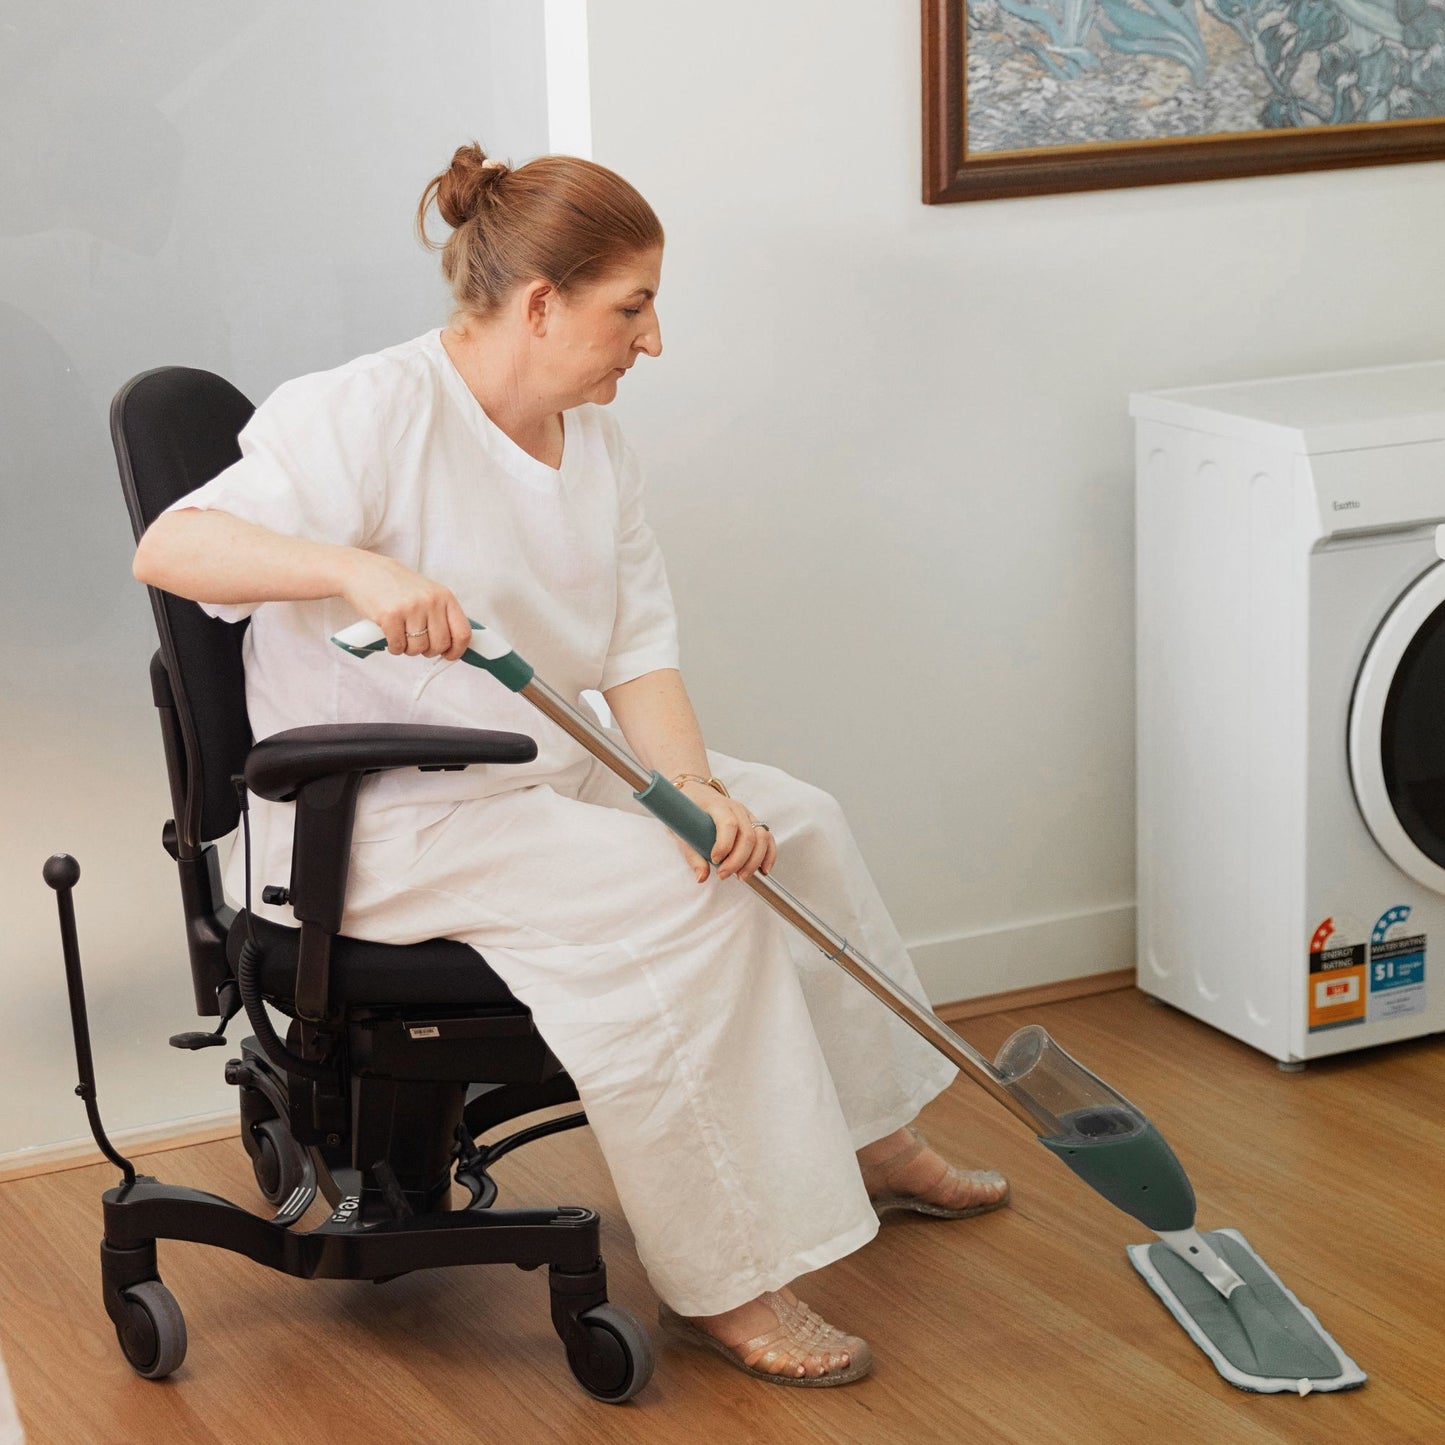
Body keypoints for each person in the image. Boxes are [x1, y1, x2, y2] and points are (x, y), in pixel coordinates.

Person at [131, 143, 1009, 1387]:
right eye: (632, 306)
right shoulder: (366, 409)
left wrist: (696, 792)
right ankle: (732, 1276)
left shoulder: (591, 447)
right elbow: (173, 547)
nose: (650, 341)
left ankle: (873, 1133)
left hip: (535, 769)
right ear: (541, 302)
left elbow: (639, 653)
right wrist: (352, 568)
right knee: (683, 896)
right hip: (382, 823)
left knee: (788, 820)